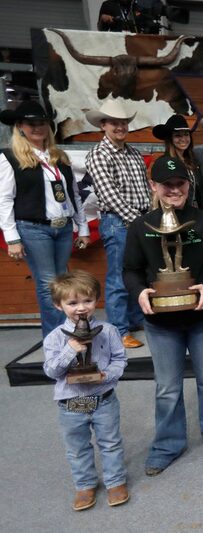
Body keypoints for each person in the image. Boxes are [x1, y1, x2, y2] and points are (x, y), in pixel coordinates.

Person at [124, 156, 203, 477]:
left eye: (180, 184)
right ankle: (167, 445)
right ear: (154, 187)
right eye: (167, 185)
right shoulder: (140, 227)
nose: (174, 190)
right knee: (167, 388)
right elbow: (130, 270)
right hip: (161, 323)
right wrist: (139, 292)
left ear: (188, 185)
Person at [0, 101, 90, 338]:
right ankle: (56, 338)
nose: (38, 127)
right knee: (48, 284)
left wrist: (83, 228)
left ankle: (67, 333)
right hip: (32, 229)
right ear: (20, 126)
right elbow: (4, 200)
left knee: (62, 282)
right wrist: (12, 238)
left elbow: (74, 195)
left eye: (42, 123)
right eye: (32, 123)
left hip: (62, 228)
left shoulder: (59, 157)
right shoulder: (9, 158)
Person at [42, 270, 128, 511]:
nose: (81, 308)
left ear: (96, 300)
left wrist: (105, 376)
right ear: (58, 305)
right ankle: (85, 485)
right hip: (71, 404)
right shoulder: (54, 338)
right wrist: (70, 350)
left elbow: (120, 360)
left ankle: (115, 481)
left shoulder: (109, 331)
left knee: (110, 443)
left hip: (103, 399)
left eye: (87, 301)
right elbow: (51, 371)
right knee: (77, 448)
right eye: (72, 303)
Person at [85, 99, 149, 349]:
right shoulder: (98, 154)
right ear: (103, 125)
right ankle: (119, 331)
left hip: (137, 219)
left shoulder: (133, 152)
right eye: (114, 122)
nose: (120, 127)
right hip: (119, 222)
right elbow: (110, 195)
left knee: (138, 273)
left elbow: (143, 188)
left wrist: (146, 217)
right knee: (118, 278)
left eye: (123, 122)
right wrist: (140, 222)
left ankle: (134, 320)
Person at [152, 114, 199, 206]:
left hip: (193, 211)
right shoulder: (163, 163)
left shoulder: (192, 161)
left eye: (186, 134)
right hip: (174, 210)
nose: (183, 139)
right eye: (178, 136)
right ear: (170, 139)